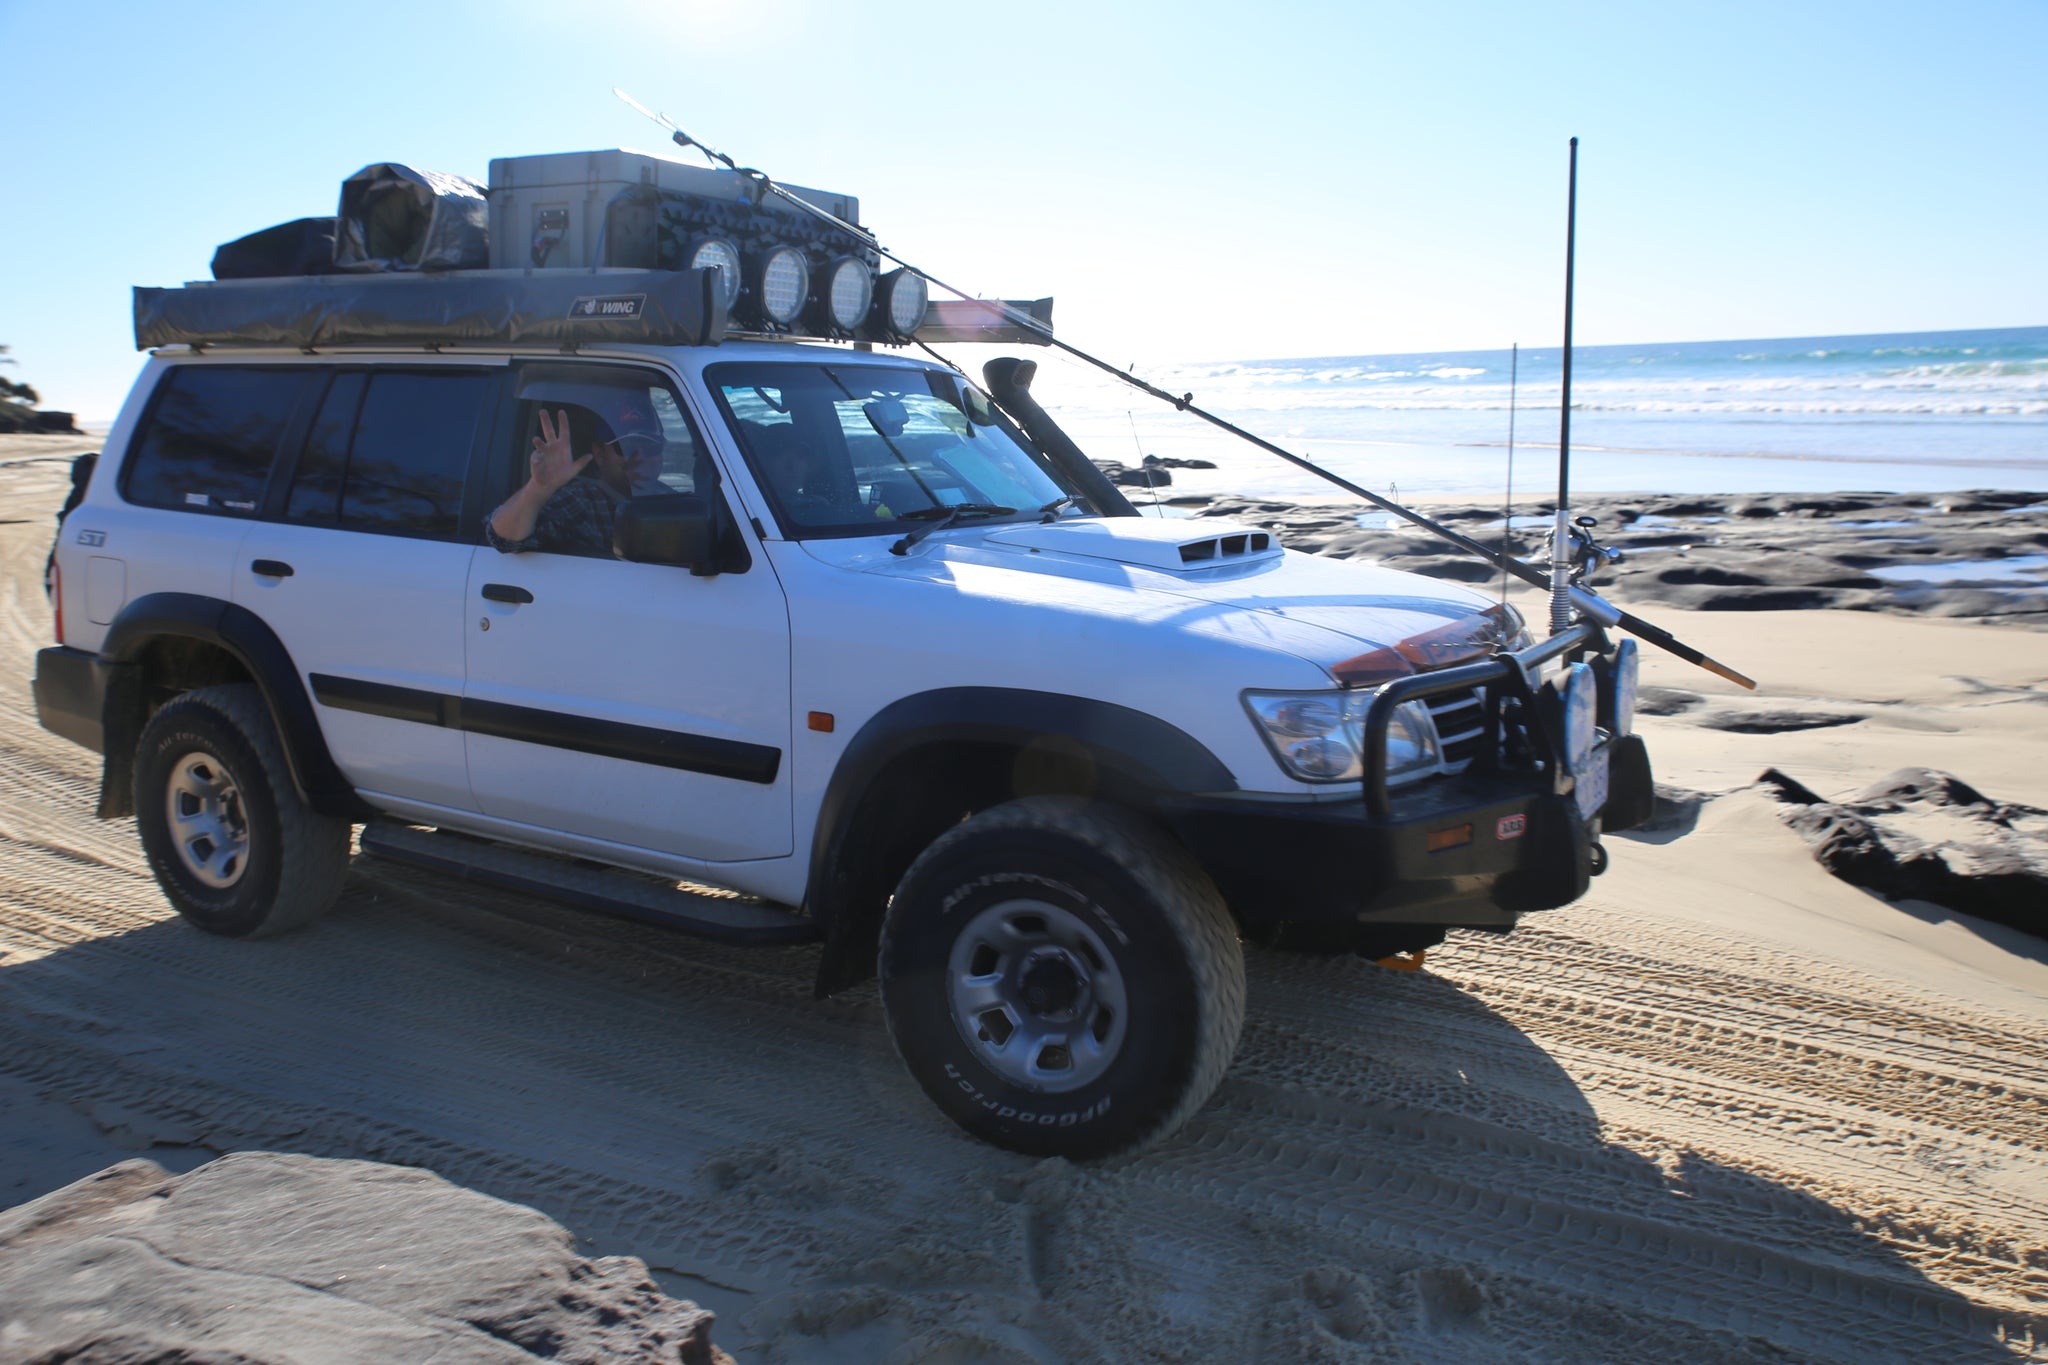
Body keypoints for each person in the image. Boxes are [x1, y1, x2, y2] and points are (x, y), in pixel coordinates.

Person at [486, 402, 654, 556]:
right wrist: (538, 487)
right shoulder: (582, 499)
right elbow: (503, 539)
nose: (640, 455)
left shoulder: (664, 495)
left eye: (652, 447)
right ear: (599, 454)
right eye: (626, 447)